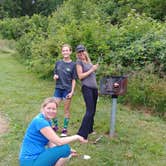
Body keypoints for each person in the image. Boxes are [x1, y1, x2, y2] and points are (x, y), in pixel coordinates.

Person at [19, 97, 87, 166]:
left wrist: (67, 150)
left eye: (54, 109)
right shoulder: (40, 121)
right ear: (43, 109)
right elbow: (59, 142)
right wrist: (76, 137)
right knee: (65, 148)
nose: (51, 111)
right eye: (48, 108)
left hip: (36, 157)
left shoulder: (47, 121)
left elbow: (50, 143)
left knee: (65, 150)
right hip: (30, 161)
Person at [75, 44, 99, 140]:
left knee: (93, 111)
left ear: (85, 51)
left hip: (94, 88)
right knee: (89, 111)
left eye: (82, 51)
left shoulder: (88, 62)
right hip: (87, 88)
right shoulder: (79, 62)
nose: (81, 53)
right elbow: (80, 76)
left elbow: (92, 76)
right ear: (77, 54)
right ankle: (81, 134)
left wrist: (93, 68)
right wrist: (92, 69)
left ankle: (90, 129)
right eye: (79, 52)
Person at [53, 44, 77, 137]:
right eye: (63, 51)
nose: (65, 52)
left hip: (67, 90)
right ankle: (55, 126)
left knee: (66, 110)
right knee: (54, 107)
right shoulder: (58, 63)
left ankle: (64, 129)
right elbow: (55, 74)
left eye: (67, 50)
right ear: (62, 52)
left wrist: (72, 92)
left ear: (70, 52)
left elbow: (74, 79)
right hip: (58, 88)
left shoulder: (73, 65)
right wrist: (55, 76)